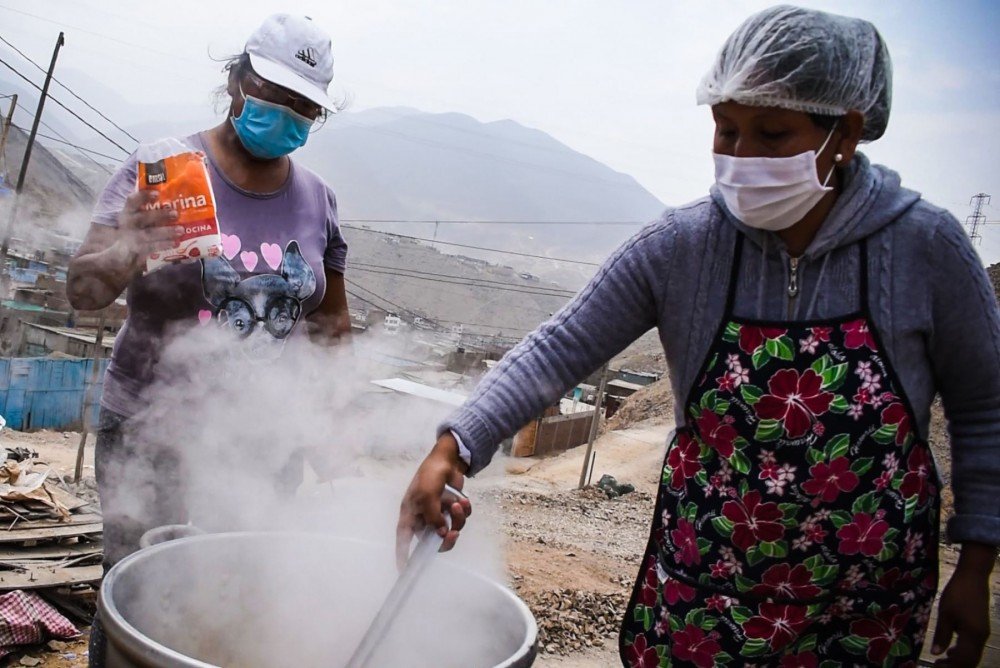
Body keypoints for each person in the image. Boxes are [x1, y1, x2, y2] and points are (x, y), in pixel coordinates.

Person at [397, 6, 999, 667]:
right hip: (705, 603)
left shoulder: (926, 250)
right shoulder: (682, 249)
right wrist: (455, 445)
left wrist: (975, 562)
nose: (740, 158)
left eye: (771, 134)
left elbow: (984, 409)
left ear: (845, 133)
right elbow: (559, 346)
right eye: (725, 129)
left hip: (860, 611)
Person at [67, 13, 349, 666]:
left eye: (305, 107)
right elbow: (82, 291)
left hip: (263, 446)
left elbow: (329, 330)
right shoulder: (162, 169)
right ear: (238, 82)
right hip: (149, 433)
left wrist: (332, 431)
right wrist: (130, 248)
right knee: (136, 601)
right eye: (276, 96)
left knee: (235, 603)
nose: (288, 115)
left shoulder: (319, 201)